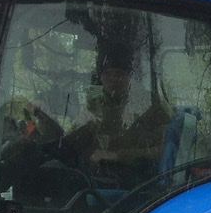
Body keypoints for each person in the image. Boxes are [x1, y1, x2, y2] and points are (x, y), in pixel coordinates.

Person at [68, 51, 171, 183]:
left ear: (129, 77)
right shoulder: (91, 108)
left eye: (119, 74)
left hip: (139, 182)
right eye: (107, 74)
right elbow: (72, 144)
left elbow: (165, 151)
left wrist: (118, 155)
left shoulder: (149, 104)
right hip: (93, 178)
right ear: (101, 77)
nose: (113, 79)